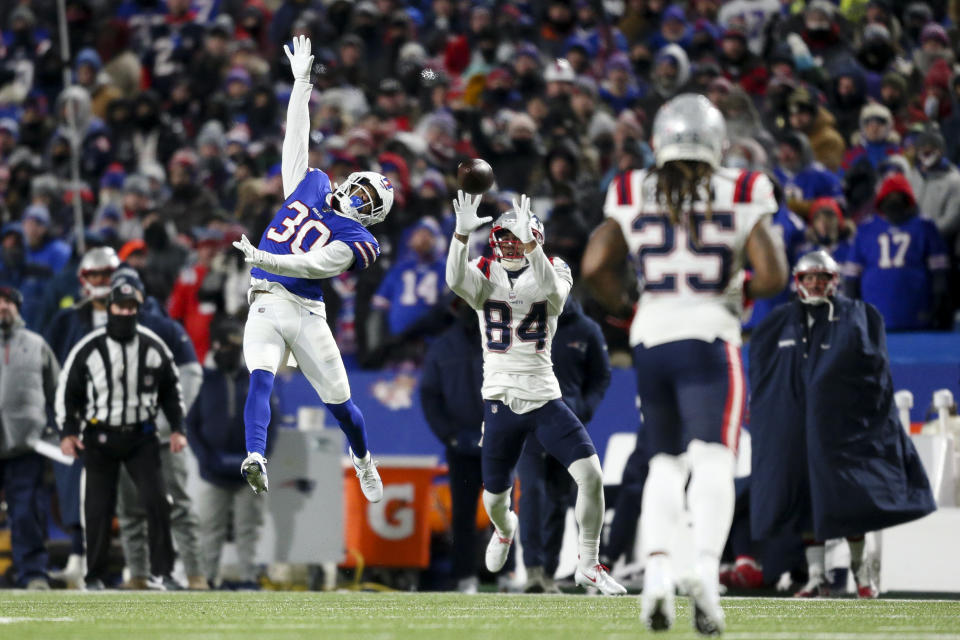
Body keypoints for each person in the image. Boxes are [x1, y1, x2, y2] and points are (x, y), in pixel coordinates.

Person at [582, 93, 788, 633]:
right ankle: (703, 569)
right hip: (710, 335)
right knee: (715, 457)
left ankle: (655, 575)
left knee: (665, 462)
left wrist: (632, 305)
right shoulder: (742, 188)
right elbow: (772, 275)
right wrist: (736, 293)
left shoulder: (630, 187)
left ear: (660, 140)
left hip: (652, 337)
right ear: (717, 142)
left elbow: (595, 264)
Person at [229, 37, 394, 501]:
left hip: (305, 310)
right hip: (265, 298)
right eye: (361, 190)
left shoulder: (359, 240)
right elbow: (294, 138)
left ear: (373, 216)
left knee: (341, 405)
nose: (359, 199)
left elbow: (313, 263)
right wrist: (302, 83)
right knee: (260, 375)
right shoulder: (313, 184)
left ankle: (363, 460)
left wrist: (266, 258)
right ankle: (256, 455)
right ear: (352, 180)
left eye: (369, 202)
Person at [444, 189, 626, 597]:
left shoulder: (553, 267)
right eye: (504, 237)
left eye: (517, 237)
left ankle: (589, 563)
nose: (509, 243)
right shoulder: (483, 270)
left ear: (535, 238)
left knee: (591, 477)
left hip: (544, 396)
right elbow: (454, 280)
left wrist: (532, 247)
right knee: (494, 499)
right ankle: (506, 530)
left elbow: (555, 297)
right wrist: (459, 236)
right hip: (499, 398)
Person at [749, 251, 936, 598]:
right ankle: (817, 576)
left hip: (841, 428)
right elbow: (763, 375)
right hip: (794, 427)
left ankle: (861, 573)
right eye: (810, 278)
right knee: (803, 500)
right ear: (798, 282)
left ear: (834, 280)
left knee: (850, 499)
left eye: (822, 277)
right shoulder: (778, 322)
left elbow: (875, 371)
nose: (816, 283)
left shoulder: (857, 316)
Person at [56, 281, 185, 589]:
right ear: (110, 308)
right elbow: (68, 392)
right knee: (98, 509)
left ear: (137, 310)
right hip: (99, 437)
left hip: (142, 437)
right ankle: (95, 576)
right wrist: (68, 432)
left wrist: (178, 428)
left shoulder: (153, 346)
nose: (126, 312)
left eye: (131, 307)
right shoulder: (89, 347)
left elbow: (171, 391)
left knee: (157, 502)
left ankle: (163, 573)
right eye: (121, 307)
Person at [110, 267, 206, 591]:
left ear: (141, 295)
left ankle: (195, 575)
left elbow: (192, 374)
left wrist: (165, 424)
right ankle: (138, 575)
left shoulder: (164, 327)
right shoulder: (103, 333)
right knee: (130, 508)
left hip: (161, 439)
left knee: (177, 504)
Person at [517, 295, 611, 593]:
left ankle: (547, 571)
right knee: (532, 491)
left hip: (567, 423)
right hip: (530, 420)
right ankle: (532, 569)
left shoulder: (587, 330)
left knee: (557, 499)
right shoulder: (529, 318)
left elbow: (601, 376)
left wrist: (583, 409)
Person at [44, 245, 121, 586]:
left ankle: (132, 563)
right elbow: (48, 369)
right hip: (78, 416)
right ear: (82, 279)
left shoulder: (137, 312)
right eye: (95, 274)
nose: (102, 281)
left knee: (122, 493)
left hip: (122, 414)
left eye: (108, 274)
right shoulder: (67, 319)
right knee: (75, 490)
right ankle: (77, 555)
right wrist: (59, 416)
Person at [186, 319, 275, 589]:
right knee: (209, 529)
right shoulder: (203, 381)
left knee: (248, 528)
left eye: (237, 346)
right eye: (228, 345)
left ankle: (249, 577)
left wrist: (259, 458)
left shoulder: (255, 379)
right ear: (216, 347)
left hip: (248, 470)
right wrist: (205, 459)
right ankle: (208, 577)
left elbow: (272, 420)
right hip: (214, 470)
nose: (232, 351)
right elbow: (191, 425)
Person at [420, 301, 487, 593]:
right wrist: (450, 435)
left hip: (496, 439)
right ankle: (466, 575)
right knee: (464, 513)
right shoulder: (444, 347)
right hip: (464, 444)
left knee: (506, 510)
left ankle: (509, 571)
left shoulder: (498, 339)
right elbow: (429, 395)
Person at [0, 286, 60, 589]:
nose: (3, 306)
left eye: (9, 301)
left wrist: (61, 432)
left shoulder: (36, 344)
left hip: (25, 445)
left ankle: (34, 574)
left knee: (27, 514)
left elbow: (59, 393)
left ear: (18, 308)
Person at [845, 174, 950, 331]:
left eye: (898, 196)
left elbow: (940, 274)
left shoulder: (924, 226)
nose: (894, 201)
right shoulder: (866, 228)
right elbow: (851, 277)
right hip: (882, 315)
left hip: (914, 313)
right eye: (890, 196)